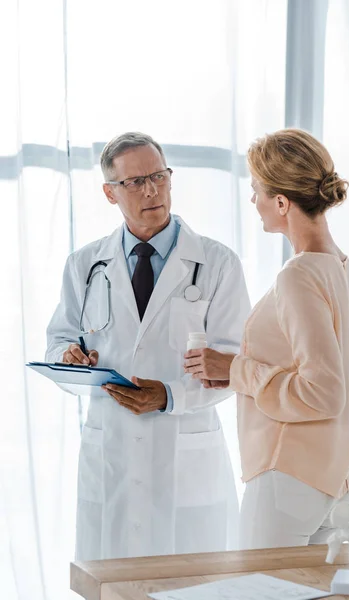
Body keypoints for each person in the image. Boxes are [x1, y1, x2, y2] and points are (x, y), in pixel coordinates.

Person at [46, 132, 251, 560]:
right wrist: (70, 359)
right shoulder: (84, 265)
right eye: (135, 182)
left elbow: (238, 368)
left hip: (185, 453)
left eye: (158, 175)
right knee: (112, 580)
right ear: (109, 192)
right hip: (112, 451)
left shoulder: (218, 263)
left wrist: (169, 396)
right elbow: (60, 342)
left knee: (193, 582)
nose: (152, 190)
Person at [184, 128, 349, 549]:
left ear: (281, 203)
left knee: (258, 593)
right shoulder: (341, 267)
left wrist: (235, 369)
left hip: (289, 475)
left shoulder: (298, 274)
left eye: (257, 190)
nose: (253, 201)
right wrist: (233, 375)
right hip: (331, 477)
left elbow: (323, 391)